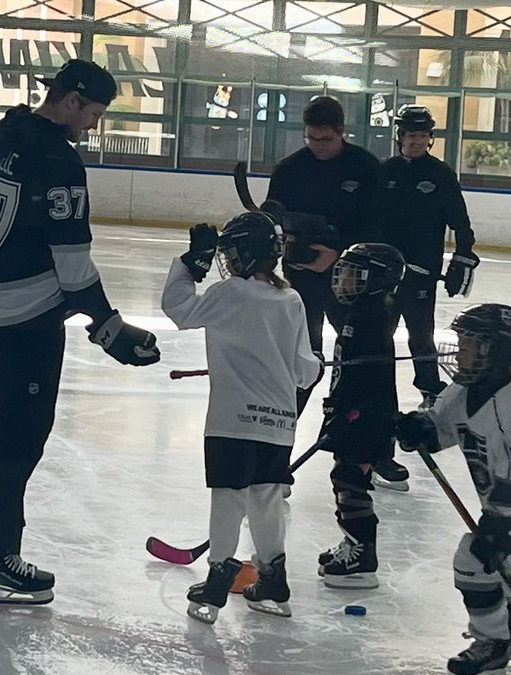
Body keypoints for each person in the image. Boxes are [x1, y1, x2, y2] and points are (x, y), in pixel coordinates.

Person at [0, 58, 161, 605]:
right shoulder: (58, 159)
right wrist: (108, 325)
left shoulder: (0, 134)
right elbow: (71, 264)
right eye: (91, 113)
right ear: (70, 101)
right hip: (25, 319)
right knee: (18, 438)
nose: (90, 125)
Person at [161, 212, 321, 624]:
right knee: (267, 499)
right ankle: (272, 578)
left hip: (232, 422)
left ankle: (217, 582)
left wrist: (188, 264)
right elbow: (305, 371)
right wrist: (317, 364)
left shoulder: (230, 293)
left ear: (244, 256)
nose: (227, 261)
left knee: (229, 498)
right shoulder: (292, 300)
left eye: (230, 253)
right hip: (280, 423)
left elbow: (179, 309)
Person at [394, 304, 511, 675]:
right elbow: (442, 426)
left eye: (472, 345)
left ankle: (492, 641)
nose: (461, 351)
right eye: (462, 341)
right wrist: (418, 429)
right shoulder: (465, 388)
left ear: (498, 352)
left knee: (472, 560)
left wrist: (495, 528)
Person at [375, 104, 479, 488]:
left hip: (421, 274)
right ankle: (379, 388)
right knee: (381, 336)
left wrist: (464, 256)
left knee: (422, 333)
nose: (416, 140)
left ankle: (428, 388)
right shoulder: (383, 174)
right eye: (410, 134)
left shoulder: (440, 175)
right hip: (385, 275)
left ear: (430, 138)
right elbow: (368, 220)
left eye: (422, 135)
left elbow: (460, 222)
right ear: (399, 135)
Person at [264, 95, 381, 414]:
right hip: (302, 283)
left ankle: (359, 450)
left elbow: (377, 227)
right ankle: (281, 432)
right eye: (311, 138)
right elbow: (272, 220)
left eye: (326, 139)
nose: (318, 145)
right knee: (302, 362)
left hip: (351, 286)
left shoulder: (366, 168)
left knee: (357, 362)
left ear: (342, 131)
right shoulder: (290, 169)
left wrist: (340, 255)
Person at [315, 242, 404, 590]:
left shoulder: (372, 314)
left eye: (355, 274)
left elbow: (366, 375)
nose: (345, 280)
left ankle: (363, 556)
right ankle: (354, 543)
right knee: (347, 475)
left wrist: (349, 410)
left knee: (350, 479)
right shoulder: (366, 309)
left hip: (364, 415)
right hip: (357, 412)